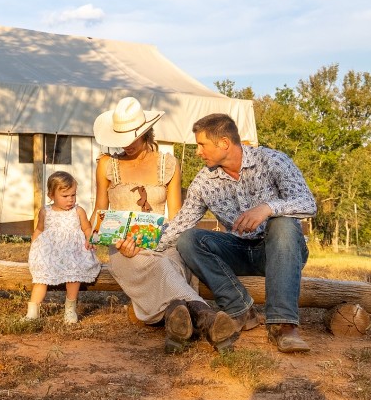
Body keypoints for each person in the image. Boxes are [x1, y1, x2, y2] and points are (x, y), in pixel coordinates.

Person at [159, 113, 317, 354]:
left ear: (223, 143)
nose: (198, 152)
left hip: (281, 251)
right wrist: (148, 246)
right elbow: (181, 223)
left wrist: (268, 208)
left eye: (202, 145)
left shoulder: (272, 160)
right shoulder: (204, 181)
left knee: (284, 224)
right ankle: (240, 309)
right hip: (239, 251)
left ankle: (284, 326)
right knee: (188, 239)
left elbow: (308, 202)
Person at [93, 97, 236, 354]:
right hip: (124, 249)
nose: (125, 146)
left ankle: (175, 316)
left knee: (168, 259)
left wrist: (164, 242)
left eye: (131, 138)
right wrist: (97, 238)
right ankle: (206, 316)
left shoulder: (168, 164)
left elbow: (178, 217)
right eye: (120, 140)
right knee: (156, 264)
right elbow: (99, 213)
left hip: (162, 242)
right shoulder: (107, 164)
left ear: (145, 131)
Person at [25, 171, 101, 324]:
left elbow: (86, 228)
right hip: (51, 252)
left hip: (73, 252)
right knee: (41, 277)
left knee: (74, 275)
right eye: (65, 196)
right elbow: (40, 229)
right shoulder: (45, 211)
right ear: (51, 195)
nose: (70, 200)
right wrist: (34, 245)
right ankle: (32, 312)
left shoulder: (78, 211)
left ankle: (70, 308)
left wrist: (89, 238)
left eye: (73, 195)